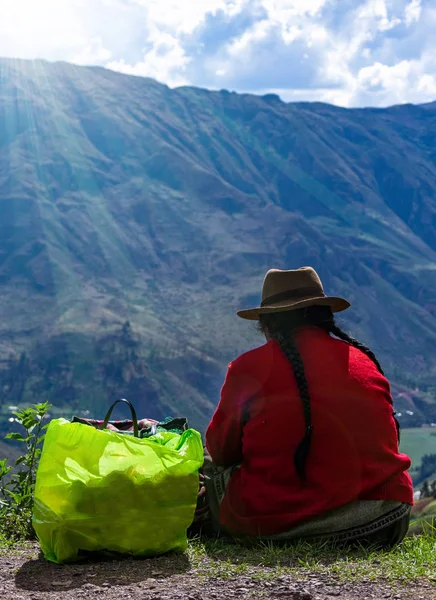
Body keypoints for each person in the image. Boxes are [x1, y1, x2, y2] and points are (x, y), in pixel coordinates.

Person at [204, 267, 413, 547]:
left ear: (266, 324)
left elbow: (221, 451)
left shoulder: (248, 369)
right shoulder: (364, 361)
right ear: (325, 317)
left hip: (284, 526)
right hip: (383, 521)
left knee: (206, 469)